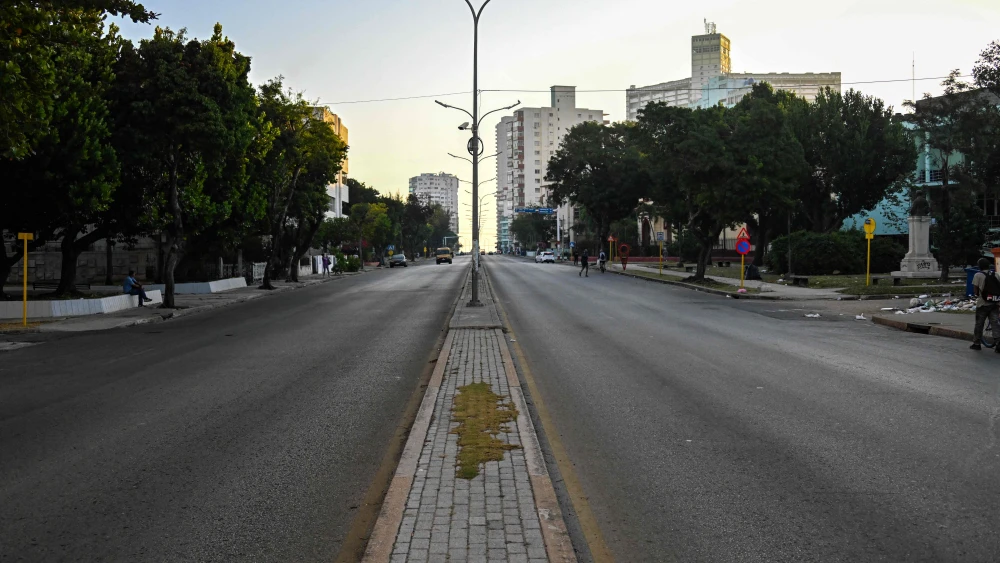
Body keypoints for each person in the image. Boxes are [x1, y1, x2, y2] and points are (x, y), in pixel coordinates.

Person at [970, 257, 1000, 352]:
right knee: (995, 323)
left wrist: (978, 294)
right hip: (995, 303)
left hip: (983, 304)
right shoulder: (996, 274)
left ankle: (976, 343)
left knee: (979, 324)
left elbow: (976, 291)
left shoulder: (978, 275)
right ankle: (999, 344)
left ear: (979, 266)